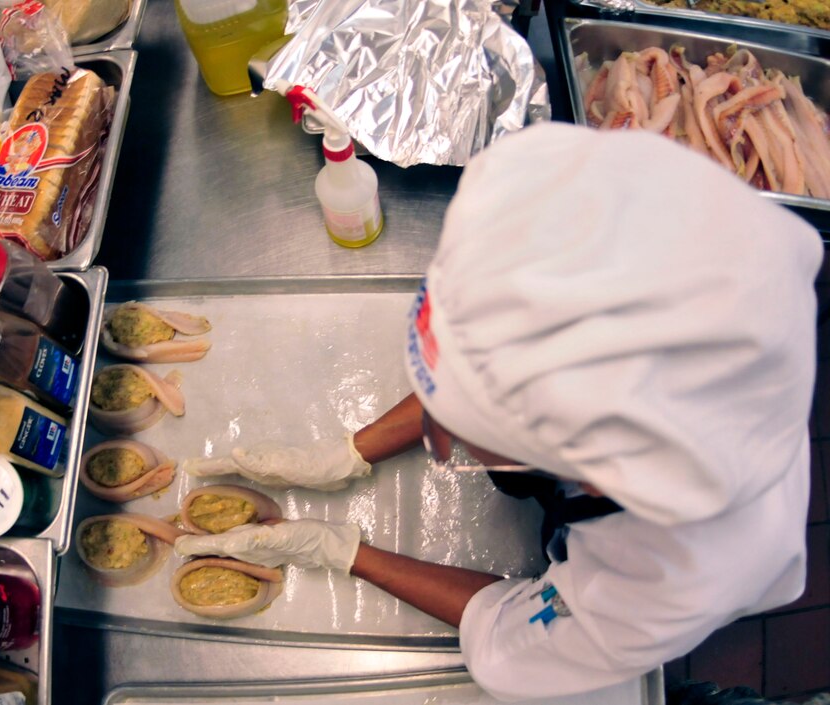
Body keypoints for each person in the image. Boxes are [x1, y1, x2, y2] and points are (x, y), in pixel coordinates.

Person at [173, 123, 824, 701]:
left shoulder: (662, 583)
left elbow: (513, 634)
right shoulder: (629, 248)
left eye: (457, 436)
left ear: (585, 476)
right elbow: (485, 355)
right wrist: (351, 451)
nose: (434, 435)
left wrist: (342, 550)